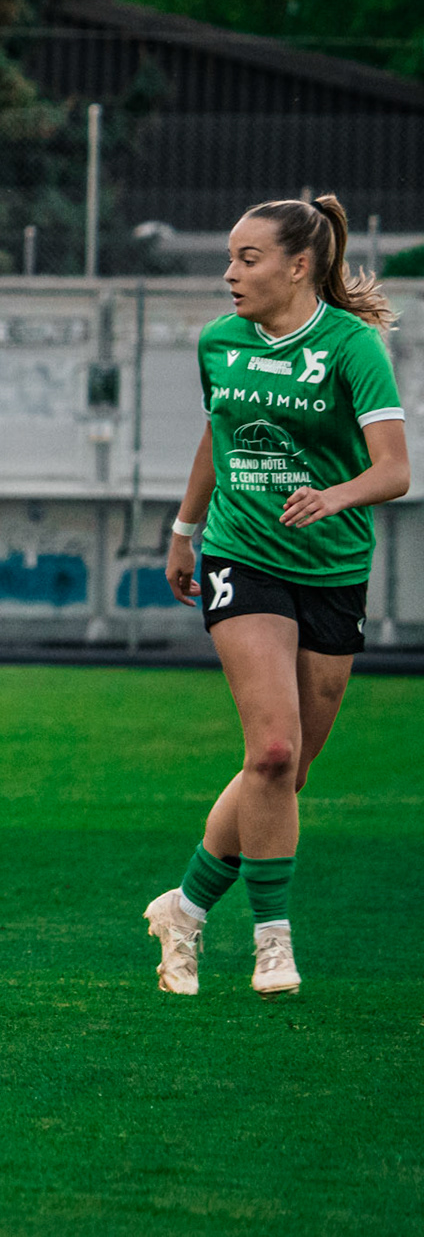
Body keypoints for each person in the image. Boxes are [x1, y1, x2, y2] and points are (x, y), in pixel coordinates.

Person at [146, 195, 408, 999]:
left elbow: (394, 471)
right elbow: (215, 434)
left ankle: (183, 909)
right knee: (272, 751)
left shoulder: (351, 347)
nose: (229, 274)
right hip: (242, 556)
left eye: (247, 259)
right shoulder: (219, 341)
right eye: (229, 257)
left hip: (331, 569)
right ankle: (272, 943)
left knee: (283, 777)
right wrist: (185, 529)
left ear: (299, 266)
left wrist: (334, 496)